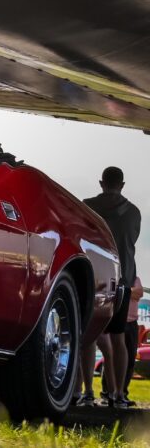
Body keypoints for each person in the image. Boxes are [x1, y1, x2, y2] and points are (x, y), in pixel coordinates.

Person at [79, 167, 142, 407]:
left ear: (101, 182)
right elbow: (131, 240)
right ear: (122, 185)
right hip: (122, 278)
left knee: (88, 337)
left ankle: (87, 392)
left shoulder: (86, 206)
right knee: (118, 339)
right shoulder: (134, 212)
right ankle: (117, 394)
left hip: (92, 277)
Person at [121, 275, 144, 408]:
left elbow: (139, 293)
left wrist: (126, 291)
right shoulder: (118, 274)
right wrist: (131, 291)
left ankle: (123, 392)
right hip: (119, 322)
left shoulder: (135, 278)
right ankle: (108, 391)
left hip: (132, 323)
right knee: (114, 359)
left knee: (130, 358)